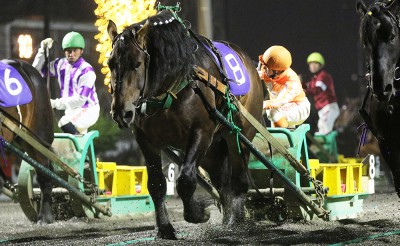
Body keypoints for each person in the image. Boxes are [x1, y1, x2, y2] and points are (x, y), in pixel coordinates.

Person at [33, 31, 100, 134]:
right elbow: (35, 71)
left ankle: (77, 140)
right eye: (68, 51)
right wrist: (42, 50)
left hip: (88, 110)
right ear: (64, 51)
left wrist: (54, 103)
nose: (71, 54)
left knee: (64, 122)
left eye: (75, 50)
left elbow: (80, 100)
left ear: (81, 51)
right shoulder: (60, 64)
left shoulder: (87, 70)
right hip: (72, 112)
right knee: (71, 146)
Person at [258, 45, 310, 128]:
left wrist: (261, 104)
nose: (264, 69)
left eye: (267, 67)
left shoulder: (292, 82)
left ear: (278, 71)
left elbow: (280, 101)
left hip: (299, 106)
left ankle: (282, 139)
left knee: (273, 112)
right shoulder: (270, 71)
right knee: (273, 112)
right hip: (283, 106)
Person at [303, 52, 339, 135]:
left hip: (329, 108)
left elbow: (317, 89)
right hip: (322, 109)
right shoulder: (314, 79)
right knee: (320, 131)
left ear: (320, 65)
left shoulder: (323, 76)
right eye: (311, 64)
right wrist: (299, 82)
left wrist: (304, 91)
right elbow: (308, 87)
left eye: (316, 63)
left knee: (324, 132)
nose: (313, 66)